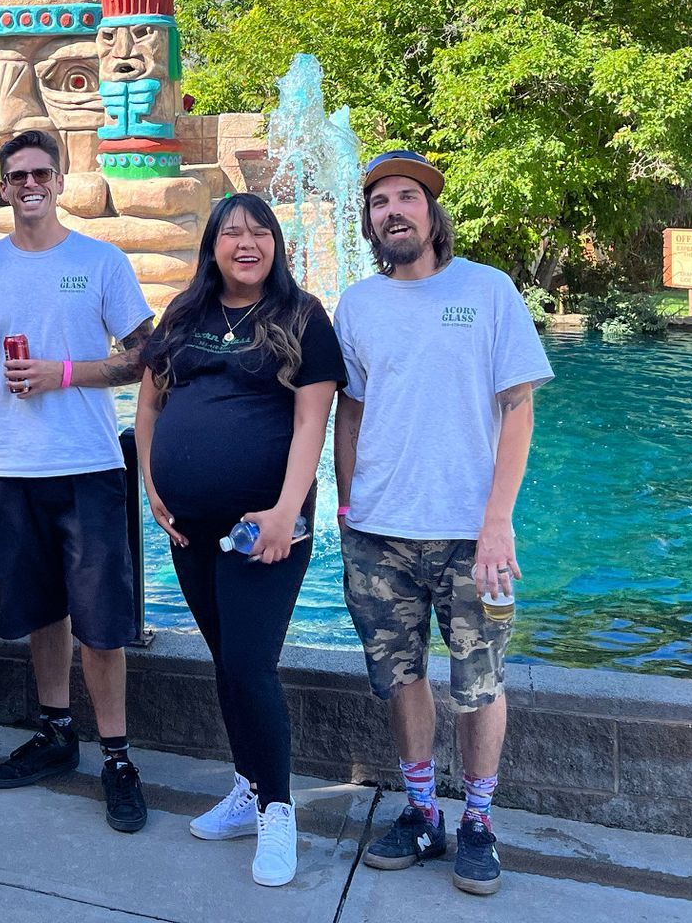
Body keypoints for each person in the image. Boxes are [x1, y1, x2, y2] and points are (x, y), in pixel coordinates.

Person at [332, 149, 551, 898]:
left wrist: (499, 522)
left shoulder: (488, 291)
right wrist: (345, 504)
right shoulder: (357, 305)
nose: (392, 211)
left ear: (432, 213)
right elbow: (350, 410)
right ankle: (423, 810)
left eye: (406, 198)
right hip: (379, 535)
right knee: (399, 679)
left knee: (479, 684)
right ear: (369, 222)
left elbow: (518, 407)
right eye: (379, 202)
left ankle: (479, 822)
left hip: (469, 534)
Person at [0, 128, 156, 833]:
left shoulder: (101, 263)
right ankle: (58, 731)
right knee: (42, 614)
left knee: (102, 626)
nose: (29, 185)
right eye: (17, 176)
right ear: (3, 187)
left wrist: (67, 373)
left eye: (41, 173)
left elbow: (144, 357)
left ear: (60, 181)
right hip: (13, 469)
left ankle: (118, 756)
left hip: (90, 465)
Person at [134, 192, 345, 888]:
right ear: (212, 247)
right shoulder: (185, 314)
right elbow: (150, 400)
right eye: (232, 233)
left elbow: (312, 422)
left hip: (266, 527)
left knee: (251, 665)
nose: (246, 243)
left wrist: (289, 510)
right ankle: (248, 787)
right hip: (189, 527)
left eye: (259, 232)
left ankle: (278, 810)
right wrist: (155, 487)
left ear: (275, 244)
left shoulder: (303, 316)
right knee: (227, 662)